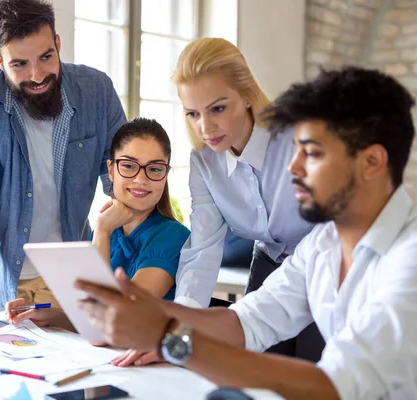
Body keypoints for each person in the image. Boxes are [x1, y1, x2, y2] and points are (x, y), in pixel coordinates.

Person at [76, 66, 417, 399]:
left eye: (311, 153)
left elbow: (335, 386)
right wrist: (151, 313)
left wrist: (168, 336)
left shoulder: (410, 257)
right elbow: (248, 321)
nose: (293, 167)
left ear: (372, 163)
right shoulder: (322, 244)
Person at [0, 0, 126, 330]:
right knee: (27, 375)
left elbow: (124, 181)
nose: (37, 75)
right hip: (16, 282)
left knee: (87, 371)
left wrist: (136, 269)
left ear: (58, 43)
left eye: (46, 57)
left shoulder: (96, 91)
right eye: (20, 64)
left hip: (78, 272)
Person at [170, 37, 321, 360]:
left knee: (314, 372)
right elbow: (202, 250)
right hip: (267, 267)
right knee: (256, 373)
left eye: (218, 108)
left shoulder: (296, 139)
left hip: (321, 266)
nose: (205, 127)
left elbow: (334, 226)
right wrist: (181, 328)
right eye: (192, 114)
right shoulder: (203, 164)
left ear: (248, 96)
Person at [5, 118, 190, 366]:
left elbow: (111, 326)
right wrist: (54, 316)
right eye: (128, 166)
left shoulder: (173, 236)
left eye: (155, 169)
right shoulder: (110, 232)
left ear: (166, 174)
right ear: (111, 169)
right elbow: (94, 318)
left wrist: (101, 230)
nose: (140, 179)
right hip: (109, 363)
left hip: (149, 370)